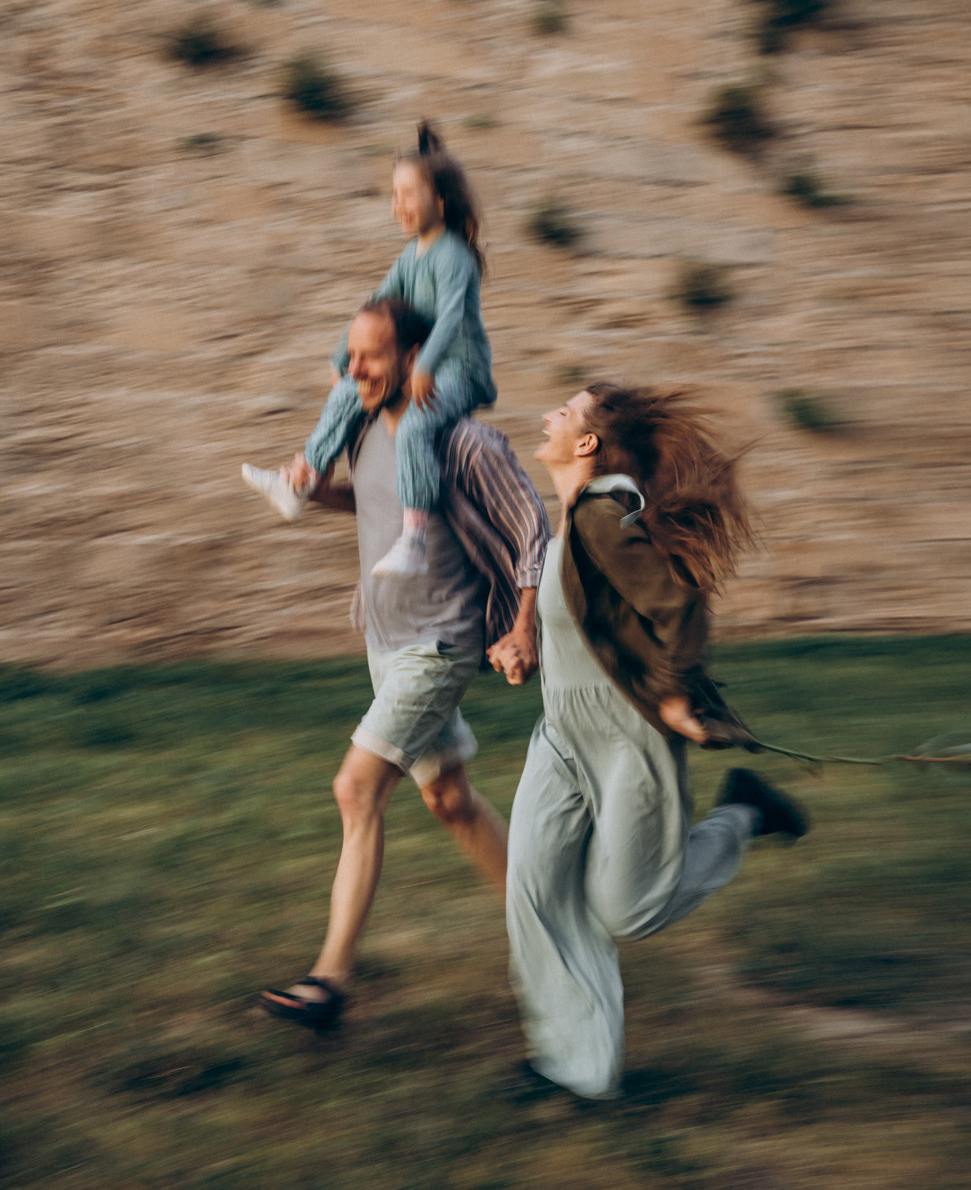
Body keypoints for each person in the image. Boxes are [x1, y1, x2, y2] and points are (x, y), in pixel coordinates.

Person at [506, 383, 808, 1101]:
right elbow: (596, 622)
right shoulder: (574, 521)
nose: (548, 415)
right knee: (535, 888)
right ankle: (577, 1067)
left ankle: (744, 813)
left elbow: (678, 607)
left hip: (624, 738)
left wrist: (673, 694)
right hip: (561, 733)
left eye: (564, 412)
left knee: (627, 908)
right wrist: (524, 641)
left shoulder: (601, 514)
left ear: (586, 443)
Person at [259, 297, 549, 1030]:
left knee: (356, 790)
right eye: (351, 353)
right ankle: (550, 931)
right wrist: (313, 490)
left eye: (371, 355)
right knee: (449, 800)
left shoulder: (465, 441)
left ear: (414, 359)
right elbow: (374, 502)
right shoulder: (361, 426)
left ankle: (329, 981)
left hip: (440, 643)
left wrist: (524, 627)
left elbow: (532, 531)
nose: (353, 367)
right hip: (384, 643)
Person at [243, 121, 497, 579]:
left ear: (441, 202)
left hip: (459, 369)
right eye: (394, 195)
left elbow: (450, 318)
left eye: (409, 194)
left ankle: (414, 540)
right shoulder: (410, 257)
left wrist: (427, 367)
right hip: (421, 366)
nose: (397, 205)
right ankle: (301, 481)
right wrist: (341, 358)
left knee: (415, 424)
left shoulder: (454, 255)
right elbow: (375, 305)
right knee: (347, 392)